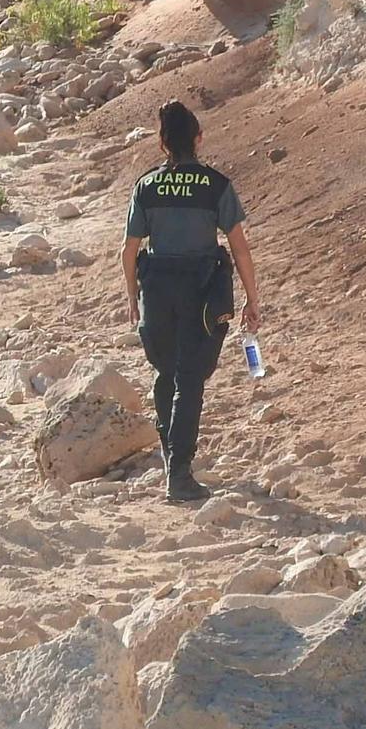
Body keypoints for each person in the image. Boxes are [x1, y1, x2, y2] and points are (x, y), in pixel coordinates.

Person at [121, 100, 261, 502]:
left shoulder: (146, 186)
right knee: (190, 380)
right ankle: (179, 474)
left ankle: (172, 463)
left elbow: (129, 251)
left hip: (157, 289)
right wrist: (253, 299)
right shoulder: (216, 185)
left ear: (163, 144)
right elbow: (240, 249)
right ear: (198, 139)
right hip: (202, 291)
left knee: (166, 374)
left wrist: (133, 298)